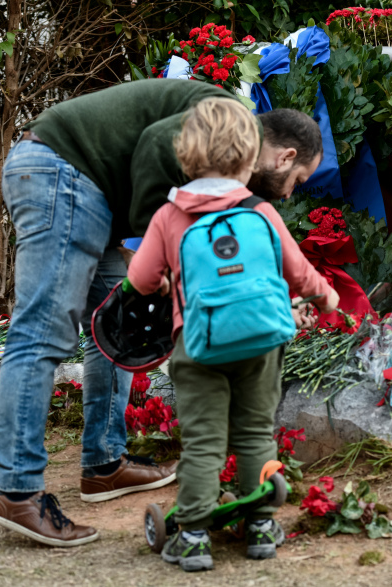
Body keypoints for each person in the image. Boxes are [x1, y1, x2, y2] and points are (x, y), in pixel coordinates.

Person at [0, 79, 328, 548]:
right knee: (42, 332)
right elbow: (153, 144)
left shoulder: (225, 152)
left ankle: (104, 464)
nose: (289, 194)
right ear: (285, 157)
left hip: (88, 189)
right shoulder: (231, 120)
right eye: (298, 180)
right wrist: (160, 244)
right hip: (63, 172)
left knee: (121, 324)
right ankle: (16, 490)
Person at [126, 98, 337, 571]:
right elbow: (300, 272)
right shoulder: (260, 212)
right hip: (262, 344)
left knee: (203, 441)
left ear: (185, 154)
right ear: (249, 157)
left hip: (197, 346)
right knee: (256, 431)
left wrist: (162, 281)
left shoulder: (170, 216)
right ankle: (261, 525)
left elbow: (140, 280)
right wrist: (327, 298)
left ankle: (195, 535)